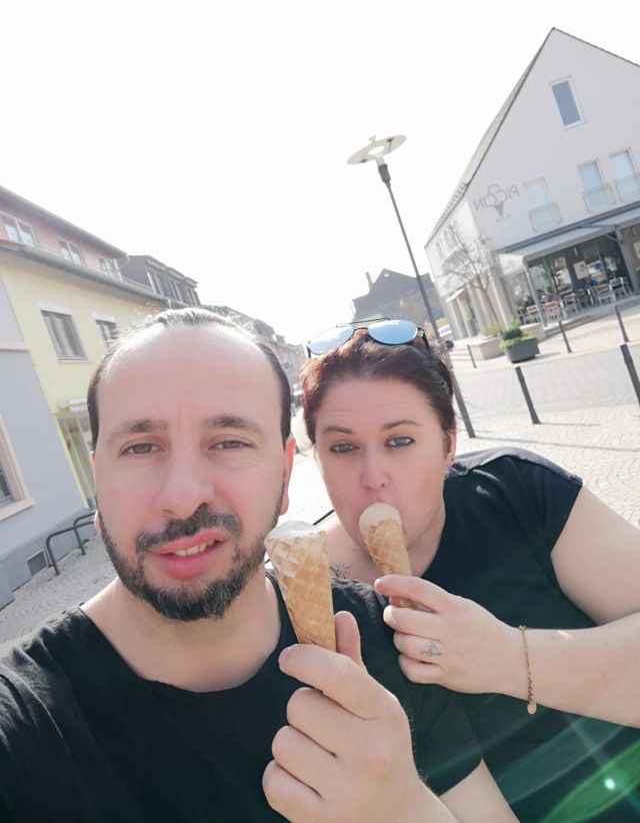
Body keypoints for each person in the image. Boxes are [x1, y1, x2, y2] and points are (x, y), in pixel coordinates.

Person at [0, 309, 515, 822]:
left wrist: (404, 809)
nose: (182, 496)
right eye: (139, 448)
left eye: (229, 442)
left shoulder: (381, 636)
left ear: (286, 475)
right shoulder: (22, 720)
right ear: (98, 480)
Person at [300, 318, 640, 822]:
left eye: (400, 441)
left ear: (448, 443)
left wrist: (507, 657)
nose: (373, 478)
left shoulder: (515, 493)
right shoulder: (309, 599)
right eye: (343, 448)